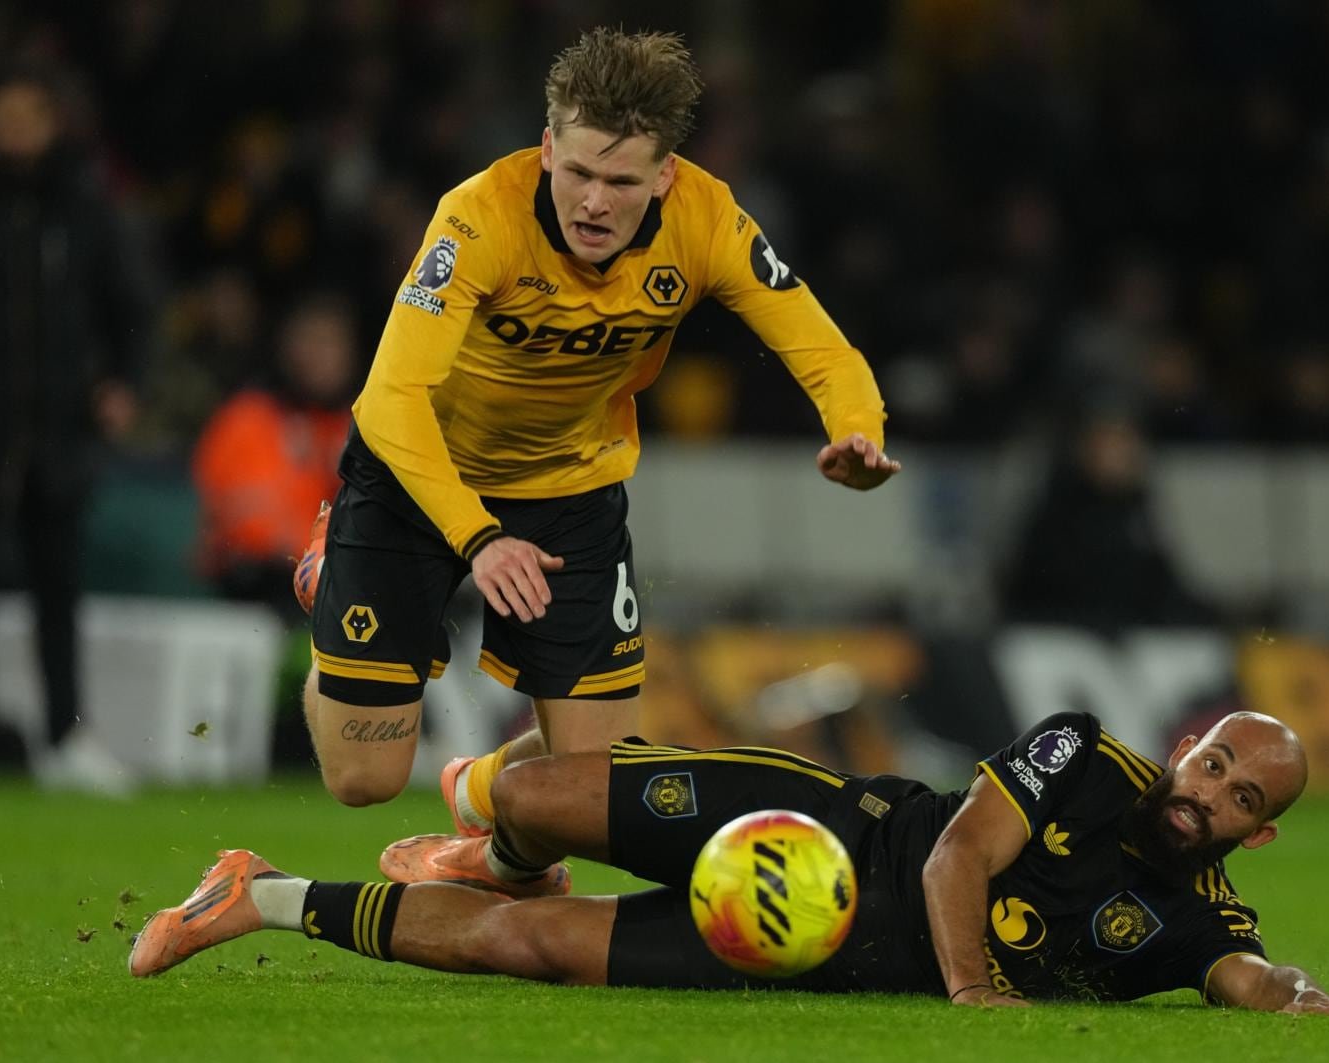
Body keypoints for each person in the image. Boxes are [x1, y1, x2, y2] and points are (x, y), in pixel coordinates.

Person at [292, 28, 898, 836]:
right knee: (364, 778)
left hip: (570, 489)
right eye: (577, 171)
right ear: (546, 148)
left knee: (589, 783)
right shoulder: (477, 219)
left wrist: (856, 429)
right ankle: (332, 587)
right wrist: (478, 538)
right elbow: (391, 400)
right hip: (420, 477)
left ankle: (475, 805)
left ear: (665, 175)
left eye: (620, 180)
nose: (593, 202)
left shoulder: (708, 221)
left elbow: (822, 347)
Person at [130, 710, 1329, 1015]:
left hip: (823, 946)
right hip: (830, 832)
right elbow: (956, 859)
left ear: (1254, 830)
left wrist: (1307, 998)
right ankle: (500, 841)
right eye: (1212, 762)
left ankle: (261, 893)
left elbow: (1248, 975)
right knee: (536, 788)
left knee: (537, 951)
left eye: (1238, 798)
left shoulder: (1195, 907)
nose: (1205, 794)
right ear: (1187, 745)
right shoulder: (1088, 754)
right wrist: (973, 992)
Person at [0, 69, 152, 791]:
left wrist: (124, 384)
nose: (15, 128)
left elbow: (132, 306)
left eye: (29, 113)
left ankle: (63, 736)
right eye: (4, 114)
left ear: (52, 121)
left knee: (58, 594)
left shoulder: (84, 205)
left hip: (56, 435)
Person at [192, 294, 356, 616]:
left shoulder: (361, 426)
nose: (318, 357)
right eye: (310, 342)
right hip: (253, 594)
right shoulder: (247, 418)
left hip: (337, 595)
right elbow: (230, 525)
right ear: (287, 347)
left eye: (330, 344)